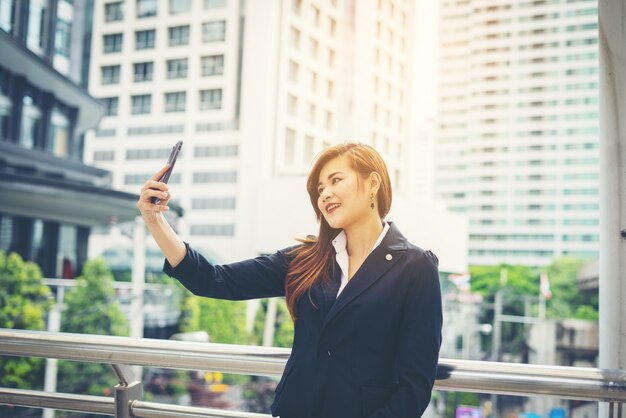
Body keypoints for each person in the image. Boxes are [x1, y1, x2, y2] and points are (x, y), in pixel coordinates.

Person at [137, 142, 443, 418]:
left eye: (336, 181)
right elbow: (213, 280)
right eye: (320, 189)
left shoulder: (416, 267)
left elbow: (414, 386)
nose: (325, 195)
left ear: (372, 182)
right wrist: (155, 220)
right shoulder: (306, 259)